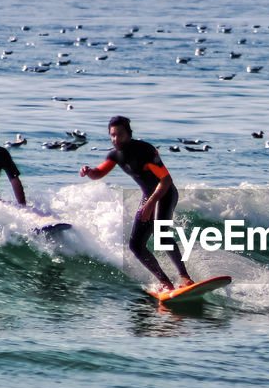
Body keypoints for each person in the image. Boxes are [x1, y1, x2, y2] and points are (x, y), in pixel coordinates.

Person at [80, 115, 193, 293]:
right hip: (148, 195)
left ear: (129, 134)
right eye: (112, 135)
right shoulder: (115, 155)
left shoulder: (144, 151)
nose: (115, 139)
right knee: (136, 246)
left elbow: (166, 180)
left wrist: (149, 205)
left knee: (161, 234)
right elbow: (99, 173)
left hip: (166, 193)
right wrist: (89, 171)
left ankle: (185, 278)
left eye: (119, 135)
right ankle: (166, 283)